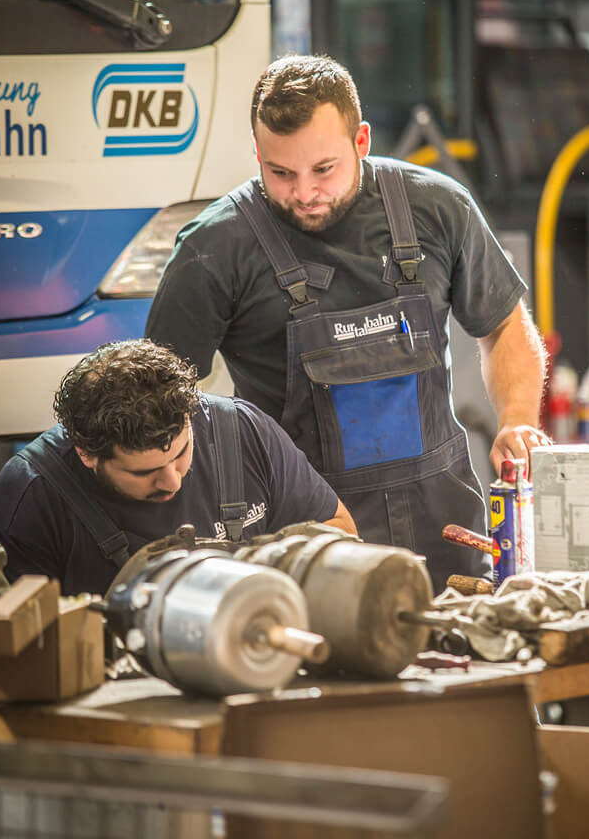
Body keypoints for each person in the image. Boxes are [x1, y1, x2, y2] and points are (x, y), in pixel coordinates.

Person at [146, 54, 549, 592]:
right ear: (257, 153)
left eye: (323, 169)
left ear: (361, 141)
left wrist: (517, 419)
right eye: (280, 172)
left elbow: (503, 327)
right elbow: (156, 400)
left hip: (446, 527)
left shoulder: (437, 208)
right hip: (304, 542)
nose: (304, 193)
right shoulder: (212, 249)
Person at [0, 339, 356, 596]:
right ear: (87, 453)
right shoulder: (32, 493)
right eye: (142, 472)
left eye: (181, 453)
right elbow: (19, 641)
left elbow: (340, 531)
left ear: (190, 413)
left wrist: (261, 573)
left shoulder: (242, 431)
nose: (172, 481)